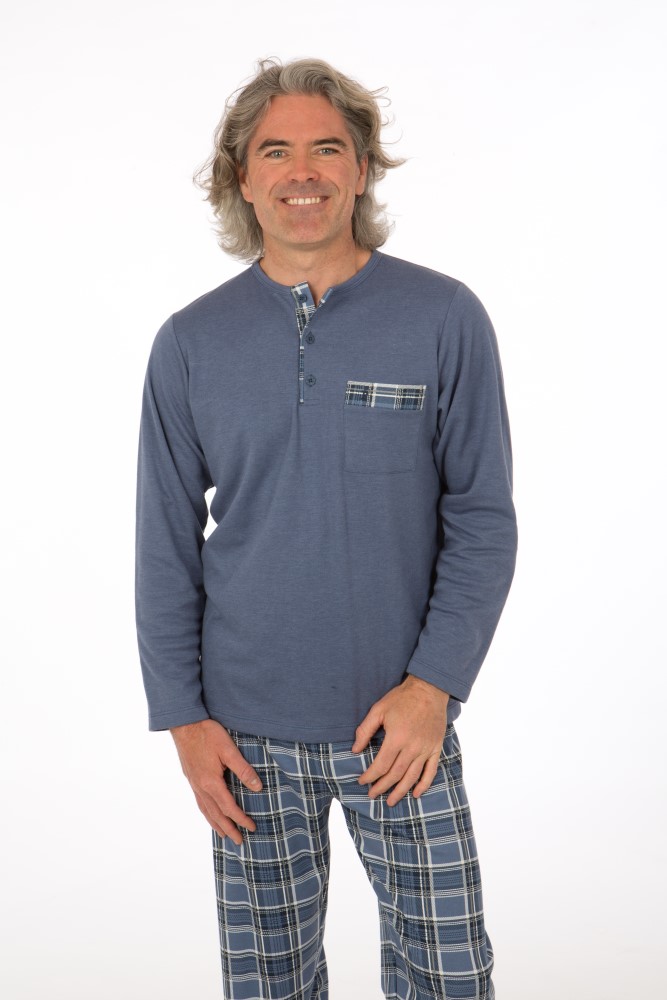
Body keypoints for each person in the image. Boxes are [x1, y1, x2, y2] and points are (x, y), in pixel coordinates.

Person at [134, 56, 517, 1000]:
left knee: (448, 977)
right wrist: (183, 720)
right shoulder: (189, 342)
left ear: (362, 168)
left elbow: (481, 519)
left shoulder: (443, 316)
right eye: (275, 152)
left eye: (326, 149)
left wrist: (433, 689)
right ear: (242, 177)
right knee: (268, 985)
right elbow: (164, 546)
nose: (301, 172)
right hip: (244, 738)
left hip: (400, 726)